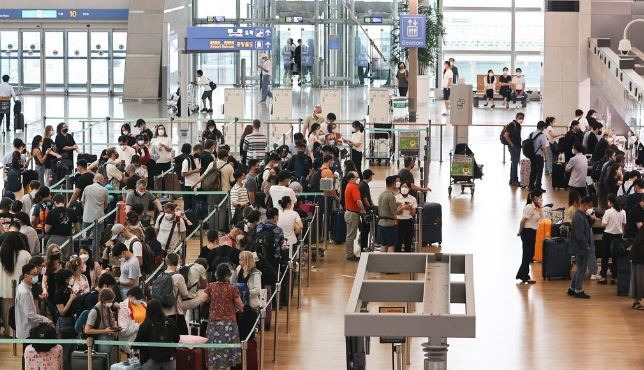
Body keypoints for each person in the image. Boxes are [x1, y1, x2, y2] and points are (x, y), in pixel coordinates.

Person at [204, 263, 244, 369]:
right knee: (227, 352)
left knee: (213, 349)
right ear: (228, 275)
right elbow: (240, 306)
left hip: (213, 323)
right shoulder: (232, 288)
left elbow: (202, 299)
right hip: (229, 324)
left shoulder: (210, 286)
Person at [0, 231, 32, 336]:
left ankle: (8, 333)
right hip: (21, 289)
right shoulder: (25, 254)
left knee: (6, 312)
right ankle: (19, 333)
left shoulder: (1, 252)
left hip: (3, 289)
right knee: (21, 313)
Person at [133, 299, 180, 369]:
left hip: (150, 361)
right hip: (170, 359)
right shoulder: (170, 322)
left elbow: (137, 344)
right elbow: (177, 339)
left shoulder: (145, 325)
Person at [159, 253, 194, 335]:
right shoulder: (178, 277)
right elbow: (185, 294)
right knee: (182, 336)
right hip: (175, 312)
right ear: (176, 262)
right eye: (179, 261)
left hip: (163, 312)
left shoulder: (160, 275)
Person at [15, 264, 52, 341]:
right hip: (27, 330)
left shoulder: (24, 287)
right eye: (34, 274)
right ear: (26, 275)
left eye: (37, 274)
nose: (36, 277)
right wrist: (45, 319)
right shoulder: (24, 292)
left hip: (27, 327)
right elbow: (30, 314)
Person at [568, 196, 595, 299]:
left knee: (580, 268)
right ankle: (578, 290)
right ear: (584, 205)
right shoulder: (578, 217)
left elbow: (587, 227)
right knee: (582, 269)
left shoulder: (581, 215)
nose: (589, 208)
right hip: (581, 247)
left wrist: (592, 219)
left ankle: (572, 288)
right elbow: (580, 235)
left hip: (581, 247)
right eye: (589, 206)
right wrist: (586, 246)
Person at [83, 288, 120, 360]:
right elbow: (87, 330)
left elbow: (111, 321)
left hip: (109, 338)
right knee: (104, 362)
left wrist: (115, 328)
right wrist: (105, 331)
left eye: (112, 301)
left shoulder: (107, 308)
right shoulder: (94, 311)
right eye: (109, 301)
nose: (111, 303)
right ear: (103, 301)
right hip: (100, 340)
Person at [516, 189, 543, 284]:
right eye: (540, 197)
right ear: (535, 197)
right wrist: (520, 232)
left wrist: (540, 207)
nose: (541, 199)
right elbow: (523, 221)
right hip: (527, 232)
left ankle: (521, 274)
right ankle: (524, 276)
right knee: (527, 255)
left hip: (532, 232)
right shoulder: (529, 207)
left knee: (530, 254)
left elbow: (540, 217)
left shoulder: (536, 207)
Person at [599, 194, 626, 285]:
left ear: (610, 202)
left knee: (605, 256)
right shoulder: (623, 212)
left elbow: (603, 224)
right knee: (615, 258)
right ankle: (615, 277)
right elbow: (623, 224)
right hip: (618, 236)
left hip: (608, 236)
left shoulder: (608, 212)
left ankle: (603, 277)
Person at [81, 174, 108, 254]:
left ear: (94, 179)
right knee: (96, 239)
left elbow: (83, 202)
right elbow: (106, 205)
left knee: (84, 237)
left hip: (86, 218)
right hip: (99, 219)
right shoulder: (105, 190)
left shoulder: (87, 188)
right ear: (102, 181)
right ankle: (94, 258)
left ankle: (83, 254)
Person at [53, 269, 79, 338]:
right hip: (64, 322)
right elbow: (62, 312)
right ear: (66, 280)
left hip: (72, 319)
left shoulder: (68, 290)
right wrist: (71, 299)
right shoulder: (58, 293)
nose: (72, 279)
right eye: (71, 277)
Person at [378, 176, 399, 253]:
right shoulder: (391, 196)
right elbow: (393, 211)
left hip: (381, 223)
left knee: (384, 244)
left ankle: (381, 262)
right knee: (391, 245)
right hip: (390, 224)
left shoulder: (381, 195)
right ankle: (391, 263)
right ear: (393, 184)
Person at [395, 182, 417, 253]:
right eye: (402, 187)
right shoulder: (396, 198)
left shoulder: (412, 199)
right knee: (398, 242)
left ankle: (408, 256)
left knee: (408, 241)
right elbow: (396, 212)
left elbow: (413, 214)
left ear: (409, 189)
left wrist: (409, 208)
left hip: (408, 221)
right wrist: (402, 207)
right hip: (399, 221)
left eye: (406, 187)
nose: (404, 188)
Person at [502, 113, 523, 186]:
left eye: (522, 118)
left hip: (517, 146)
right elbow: (506, 135)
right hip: (514, 146)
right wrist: (511, 144)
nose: (521, 119)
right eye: (520, 118)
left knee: (514, 163)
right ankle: (514, 180)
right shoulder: (512, 124)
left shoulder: (518, 125)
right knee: (514, 163)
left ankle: (513, 180)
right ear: (516, 117)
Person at [527, 121, 548, 192]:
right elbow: (544, 147)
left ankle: (531, 186)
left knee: (533, 171)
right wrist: (546, 157)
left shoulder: (531, 134)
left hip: (532, 156)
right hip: (539, 156)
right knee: (539, 171)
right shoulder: (542, 135)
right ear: (543, 127)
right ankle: (538, 187)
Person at [358, 169, 375, 251]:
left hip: (367, 209)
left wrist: (372, 204)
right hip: (365, 211)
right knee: (365, 230)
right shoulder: (363, 186)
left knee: (366, 229)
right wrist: (371, 207)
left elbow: (369, 197)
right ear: (370, 176)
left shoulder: (364, 184)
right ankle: (363, 247)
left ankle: (364, 246)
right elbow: (365, 199)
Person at [630, 225, 644, 310]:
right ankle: (636, 302)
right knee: (640, 281)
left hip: (637, 257)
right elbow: (640, 245)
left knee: (637, 280)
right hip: (639, 258)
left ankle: (636, 302)